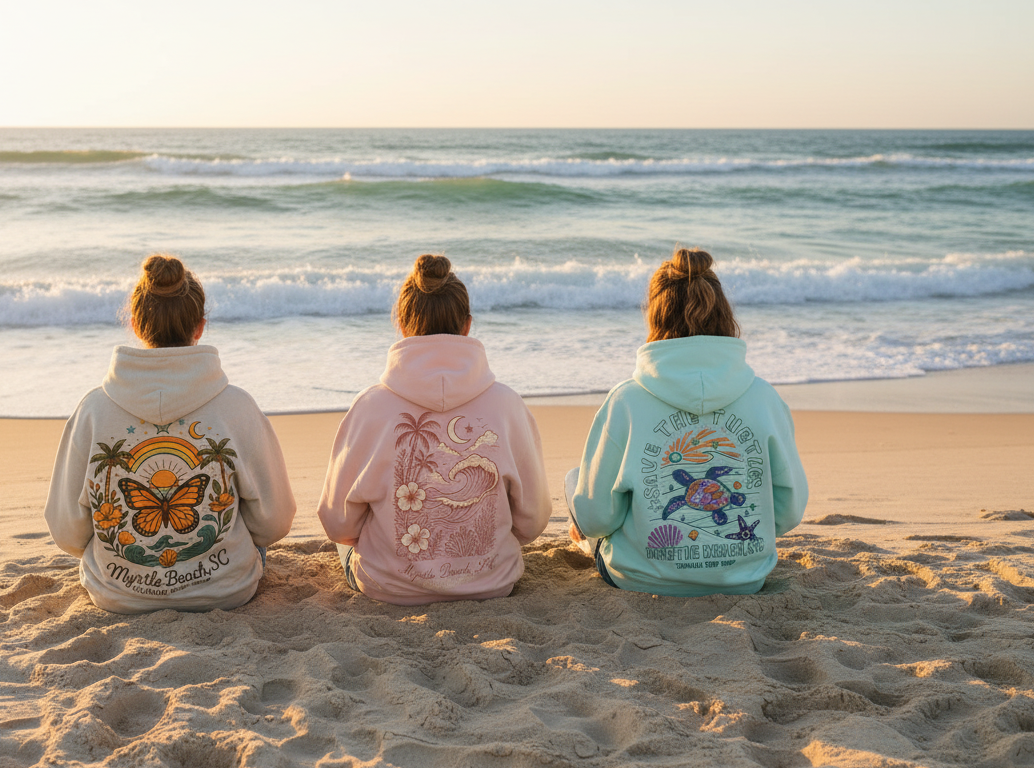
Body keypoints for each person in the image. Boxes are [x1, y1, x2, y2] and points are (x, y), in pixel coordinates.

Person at [44, 254, 295, 613]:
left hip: (118, 594)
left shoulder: (92, 411)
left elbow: (66, 532)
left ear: (134, 324)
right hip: (227, 590)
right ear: (200, 326)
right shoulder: (238, 407)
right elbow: (275, 522)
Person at [566, 248, 807, 596]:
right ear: (724, 314)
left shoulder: (626, 401)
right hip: (745, 578)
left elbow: (597, 518)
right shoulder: (764, 399)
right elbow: (788, 511)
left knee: (577, 480)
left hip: (640, 578)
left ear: (655, 317)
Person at [318, 254, 552, 604]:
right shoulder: (507, 406)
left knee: (347, 542)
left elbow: (339, 525)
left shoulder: (370, 407)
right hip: (491, 584)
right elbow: (532, 522)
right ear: (467, 325)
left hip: (389, 588)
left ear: (401, 324)